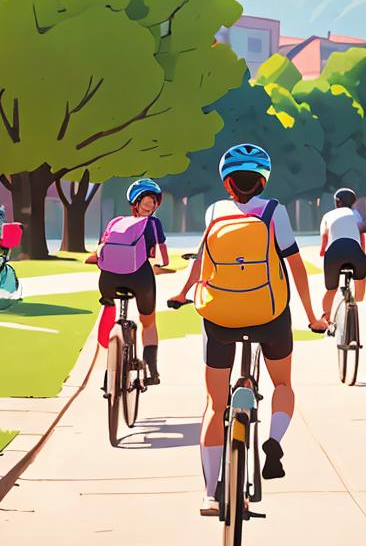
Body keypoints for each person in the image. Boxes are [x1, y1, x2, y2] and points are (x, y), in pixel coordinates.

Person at [170, 144, 326, 515]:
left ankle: (209, 493)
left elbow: (203, 260)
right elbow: (297, 267)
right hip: (269, 315)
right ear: (262, 180)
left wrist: (182, 293)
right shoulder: (275, 211)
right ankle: (273, 439)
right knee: (283, 385)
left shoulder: (214, 211)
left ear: (227, 182)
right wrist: (312, 316)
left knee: (214, 403)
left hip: (220, 318)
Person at [89, 178, 170, 385]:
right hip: (140, 280)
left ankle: (111, 364)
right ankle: (152, 371)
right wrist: (162, 266)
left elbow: (100, 250)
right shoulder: (154, 224)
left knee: (109, 307)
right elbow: (163, 258)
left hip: (107, 282)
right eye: (151, 201)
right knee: (148, 322)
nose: (151, 205)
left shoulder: (115, 222)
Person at [320, 188, 366, 325]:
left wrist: (322, 251)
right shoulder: (355, 214)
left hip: (334, 252)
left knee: (331, 289)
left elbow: (324, 236)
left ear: (337, 202)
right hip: (355, 251)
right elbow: (362, 231)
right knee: (360, 285)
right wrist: (362, 252)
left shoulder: (328, 215)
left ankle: (326, 318)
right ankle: (356, 300)